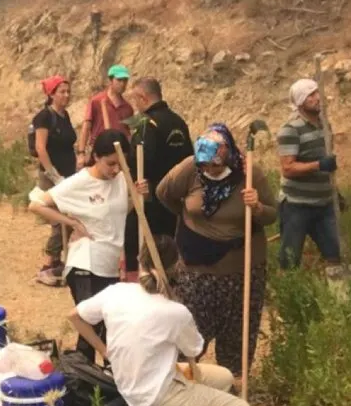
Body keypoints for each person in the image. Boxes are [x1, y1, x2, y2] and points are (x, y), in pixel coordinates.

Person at [68, 236, 252, 406]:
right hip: (154, 394)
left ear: (139, 262)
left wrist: (104, 350)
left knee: (224, 377)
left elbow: (75, 316)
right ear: (179, 269)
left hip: (128, 379)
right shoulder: (174, 311)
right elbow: (195, 349)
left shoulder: (117, 291)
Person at [156, 124, 277, 378]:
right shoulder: (191, 168)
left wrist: (256, 208)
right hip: (196, 268)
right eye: (205, 166)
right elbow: (164, 193)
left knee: (238, 330)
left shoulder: (249, 172)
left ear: (228, 156)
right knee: (192, 327)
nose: (209, 170)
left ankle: (230, 381)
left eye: (215, 166)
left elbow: (273, 215)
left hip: (243, 269)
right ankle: (183, 380)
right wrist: (188, 217)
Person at [30, 130, 146, 362]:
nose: (115, 170)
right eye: (110, 164)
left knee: (107, 325)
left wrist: (136, 196)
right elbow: (36, 205)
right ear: (96, 157)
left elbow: (121, 212)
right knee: (91, 326)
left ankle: (98, 381)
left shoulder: (122, 179)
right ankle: (85, 381)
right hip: (85, 264)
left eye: (120, 164)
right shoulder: (81, 182)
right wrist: (72, 223)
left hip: (110, 265)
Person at [124, 76, 193, 277]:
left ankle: (141, 284)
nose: (135, 106)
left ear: (143, 97)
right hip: (176, 198)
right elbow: (189, 159)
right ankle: (168, 282)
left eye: (135, 100)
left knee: (136, 242)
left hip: (150, 196)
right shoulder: (179, 122)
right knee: (169, 246)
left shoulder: (146, 124)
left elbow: (139, 161)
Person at [277, 78, 340, 268]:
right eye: (311, 95)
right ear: (301, 100)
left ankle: (336, 295)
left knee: (335, 255)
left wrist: (335, 190)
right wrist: (319, 165)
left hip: (324, 204)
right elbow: (288, 168)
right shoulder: (290, 129)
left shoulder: (324, 125)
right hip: (296, 206)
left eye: (317, 93)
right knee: (290, 260)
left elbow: (327, 164)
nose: (317, 98)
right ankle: (289, 295)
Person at [32, 75, 77, 286]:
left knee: (68, 218)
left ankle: (57, 261)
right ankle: (47, 265)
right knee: (59, 220)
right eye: (62, 92)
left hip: (68, 175)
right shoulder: (44, 117)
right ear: (51, 94)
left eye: (68, 92)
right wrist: (53, 175)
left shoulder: (65, 115)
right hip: (53, 178)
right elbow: (41, 148)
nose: (66, 96)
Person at [76, 65, 133, 170]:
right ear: (111, 80)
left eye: (125, 80)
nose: (123, 84)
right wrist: (81, 153)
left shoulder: (127, 107)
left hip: (118, 155)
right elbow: (86, 126)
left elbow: (128, 133)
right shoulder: (97, 101)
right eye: (119, 80)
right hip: (99, 152)